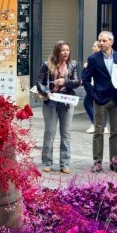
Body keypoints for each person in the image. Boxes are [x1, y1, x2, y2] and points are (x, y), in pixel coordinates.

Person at [82, 31, 117, 173]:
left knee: (115, 132)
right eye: (100, 41)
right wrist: (93, 95)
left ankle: (114, 162)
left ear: (111, 42)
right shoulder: (93, 58)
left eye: (104, 41)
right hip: (100, 99)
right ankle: (97, 162)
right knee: (98, 131)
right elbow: (85, 79)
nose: (101, 43)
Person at [37, 40, 82, 174]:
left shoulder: (72, 65)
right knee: (50, 132)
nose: (66, 53)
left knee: (66, 133)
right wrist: (47, 92)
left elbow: (77, 82)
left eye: (67, 50)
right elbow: (39, 82)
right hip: (51, 101)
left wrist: (65, 81)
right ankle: (47, 162)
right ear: (57, 51)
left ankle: (65, 163)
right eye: (63, 50)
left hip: (66, 101)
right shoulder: (47, 64)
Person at [83, 41, 109, 134]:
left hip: (96, 86)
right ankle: (101, 125)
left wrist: (86, 67)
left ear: (98, 48)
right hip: (99, 86)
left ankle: (98, 124)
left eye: (94, 46)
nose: (92, 48)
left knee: (87, 103)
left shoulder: (95, 59)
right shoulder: (98, 58)